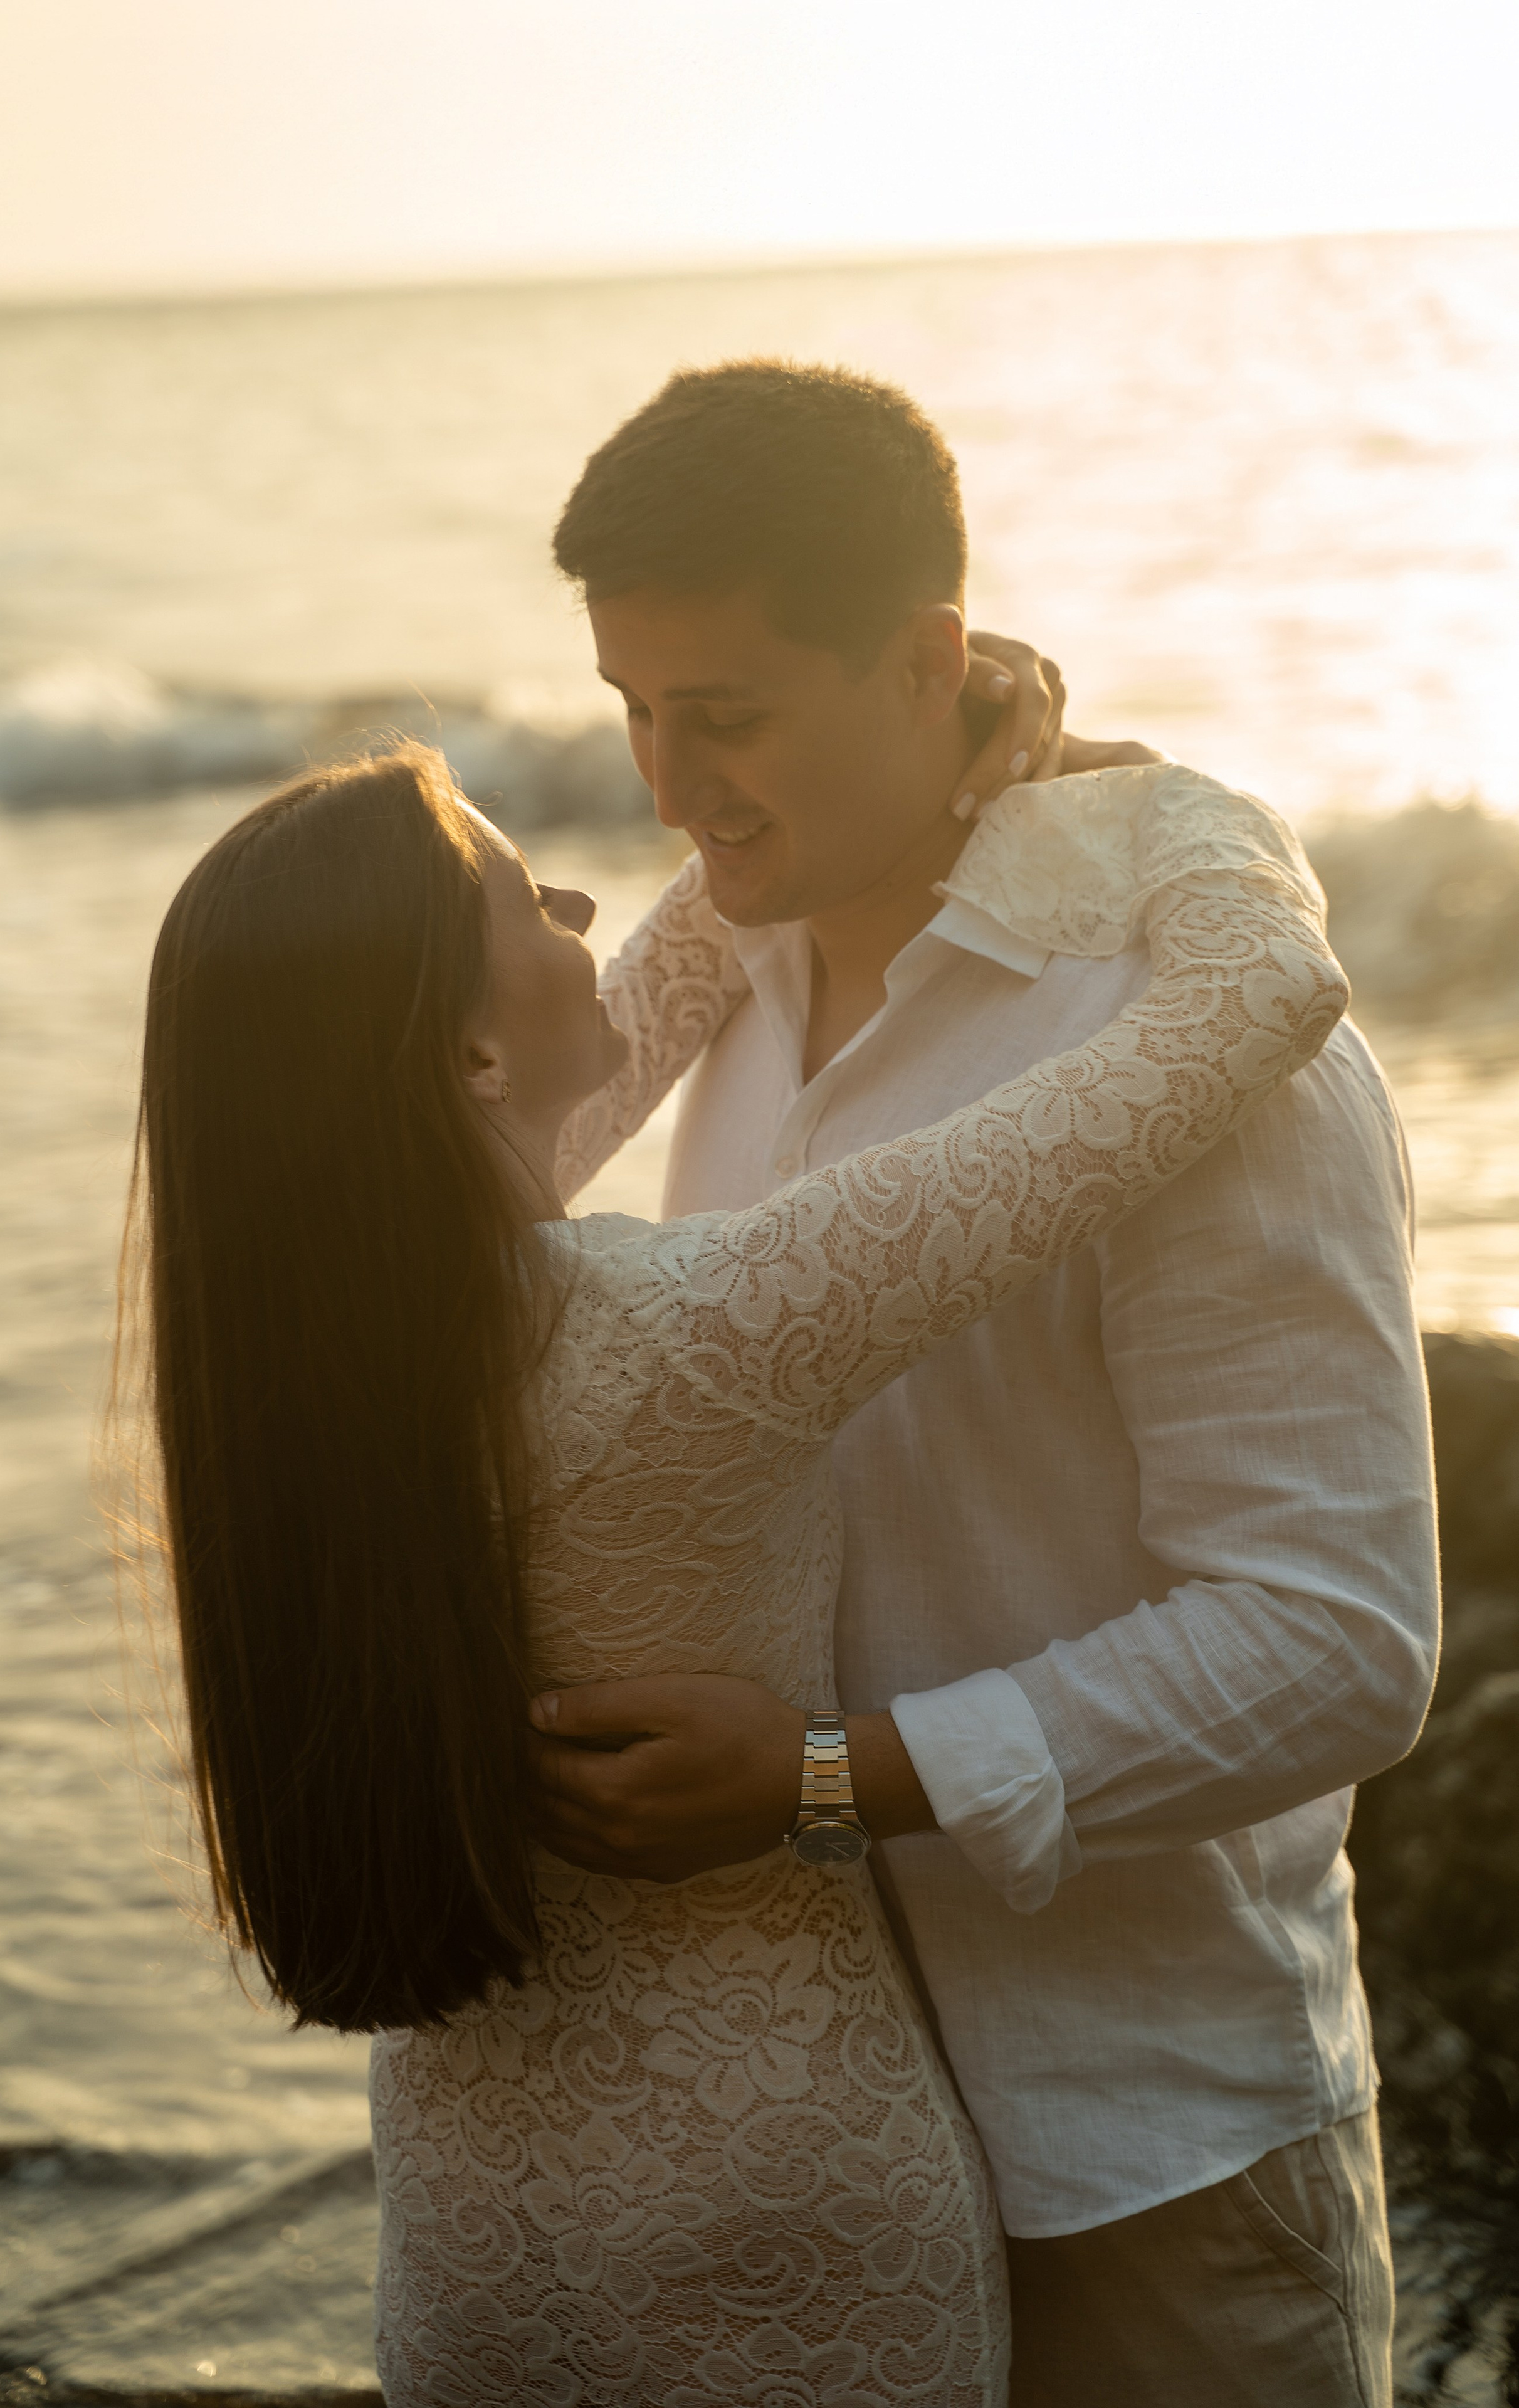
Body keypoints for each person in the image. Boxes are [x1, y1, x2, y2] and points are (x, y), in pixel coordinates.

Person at [123, 726, 1346, 2405]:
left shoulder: (289, 1394)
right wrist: (1163, 800)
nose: (580, 898)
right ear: (470, 1061)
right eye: (517, 891)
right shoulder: (704, 1334)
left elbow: (580, 1042)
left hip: (477, 2234)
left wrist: (870, 769)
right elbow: (1260, 1000)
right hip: (786, 2211)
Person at [530, 361, 1441, 2408]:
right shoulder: (716, 991)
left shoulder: (1184, 1030)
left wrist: (823, 1780)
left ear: (932, 658)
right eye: (633, 711)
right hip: (780, 2141)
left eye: (729, 714)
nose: (670, 786)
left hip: (1142, 2149)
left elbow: (1338, 1646)